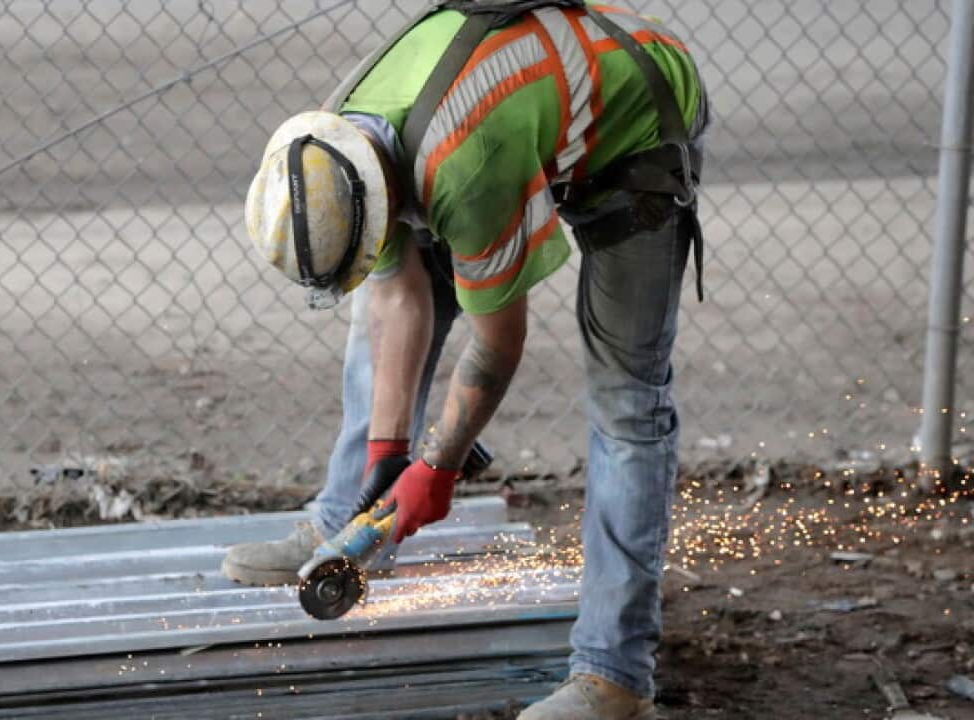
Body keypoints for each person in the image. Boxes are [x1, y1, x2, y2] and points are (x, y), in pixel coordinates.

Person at [228, 3, 709, 718]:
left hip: (634, 123)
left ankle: (615, 677)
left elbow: (498, 342)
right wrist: (391, 459)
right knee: (382, 312)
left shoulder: (465, 166)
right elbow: (398, 297)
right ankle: (348, 518)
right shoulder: (336, 147)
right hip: (513, 114)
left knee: (626, 398)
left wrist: (439, 466)